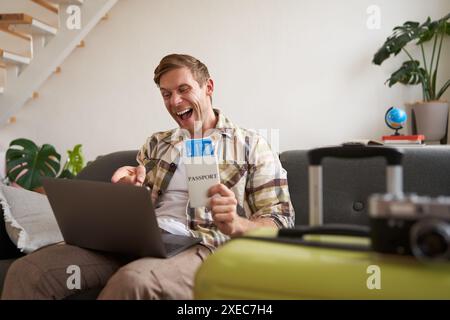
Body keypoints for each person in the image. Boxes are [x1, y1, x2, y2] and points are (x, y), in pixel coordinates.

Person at [1, 54, 294, 300]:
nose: (175, 101)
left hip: (202, 246)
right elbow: (135, 207)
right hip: (138, 241)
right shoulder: (157, 143)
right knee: (30, 271)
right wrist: (127, 192)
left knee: (133, 283)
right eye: (166, 94)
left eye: (183, 89)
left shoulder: (251, 145)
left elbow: (280, 222)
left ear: (208, 87)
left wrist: (237, 223)